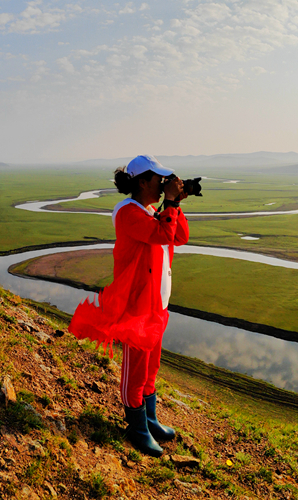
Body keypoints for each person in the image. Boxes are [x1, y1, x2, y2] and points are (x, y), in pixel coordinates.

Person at [68, 154, 189, 456]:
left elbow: (179, 237)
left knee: (151, 367)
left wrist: (175, 204)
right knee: (135, 371)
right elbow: (162, 233)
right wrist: (169, 204)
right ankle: (136, 428)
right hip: (137, 306)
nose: (163, 184)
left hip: (157, 302)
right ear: (143, 182)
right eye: (159, 179)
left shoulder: (149, 211)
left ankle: (150, 420)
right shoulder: (127, 213)